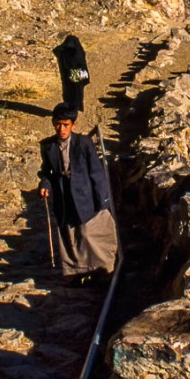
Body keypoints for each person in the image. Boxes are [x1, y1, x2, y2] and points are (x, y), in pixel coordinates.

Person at [37, 103, 117, 281]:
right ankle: (75, 273)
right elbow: (47, 172)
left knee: (90, 233)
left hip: (85, 196)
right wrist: (45, 185)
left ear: (74, 124)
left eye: (66, 125)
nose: (61, 129)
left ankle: (103, 269)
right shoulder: (48, 147)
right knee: (70, 236)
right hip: (64, 199)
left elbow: (96, 172)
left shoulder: (84, 144)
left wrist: (102, 200)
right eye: (58, 124)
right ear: (53, 123)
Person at [53, 35, 89, 116]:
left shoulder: (64, 52)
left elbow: (56, 51)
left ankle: (71, 111)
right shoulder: (78, 51)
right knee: (76, 93)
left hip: (69, 76)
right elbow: (82, 64)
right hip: (76, 75)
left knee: (71, 93)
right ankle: (73, 110)